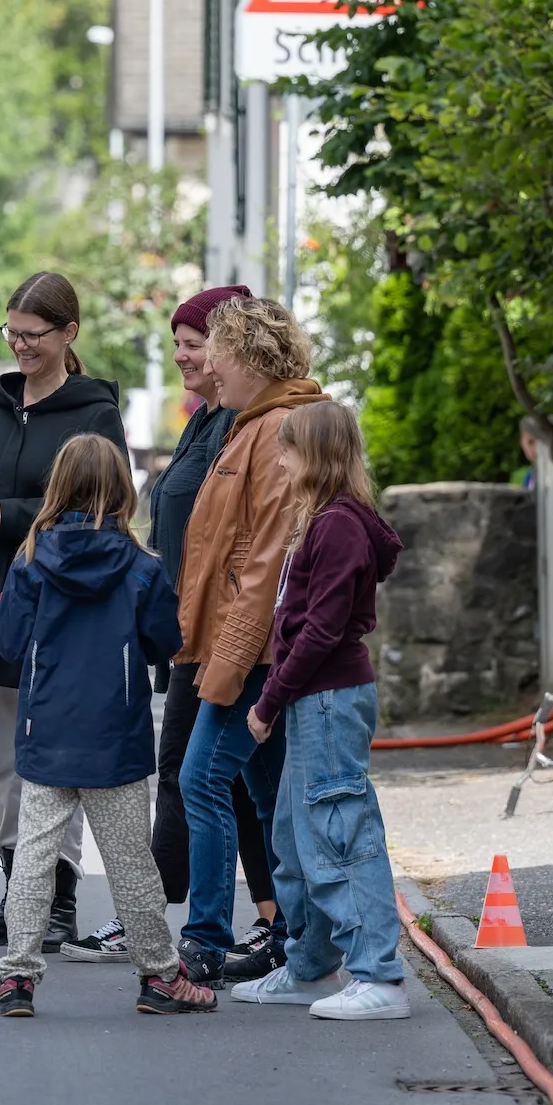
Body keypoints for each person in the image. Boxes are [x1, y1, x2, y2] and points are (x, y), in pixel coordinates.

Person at [63, 285, 285, 974]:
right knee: (226, 778)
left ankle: (177, 922)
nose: (185, 355)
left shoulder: (246, 425)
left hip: (227, 630)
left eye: (195, 343)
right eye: (180, 344)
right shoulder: (206, 420)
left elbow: (253, 541)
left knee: (202, 775)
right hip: (194, 626)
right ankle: (263, 925)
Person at [0, 435, 217, 1018]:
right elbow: (168, 641)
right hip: (118, 734)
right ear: (122, 490)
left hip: (46, 733)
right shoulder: (140, 566)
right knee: (132, 862)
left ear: (56, 487)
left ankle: (16, 979)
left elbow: (8, 641)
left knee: (35, 859)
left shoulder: (31, 559)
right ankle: (160, 976)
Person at [0, 272, 129, 952]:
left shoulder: (93, 411)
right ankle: (20, 889)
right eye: (11, 333)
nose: (19, 346)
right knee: (3, 758)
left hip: (62, 604)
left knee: (53, 759)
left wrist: (13, 514)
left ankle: (54, 902)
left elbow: (107, 503)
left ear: (69, 333)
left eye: (33, 335)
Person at [236, 402, 411, 1019]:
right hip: (317, 700)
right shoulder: (325, 520)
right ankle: (310, 966)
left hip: (328, 699)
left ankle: (379, 977)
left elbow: (321, 629)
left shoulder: (336, 524)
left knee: (340, 834)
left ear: (315, 454)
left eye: (288, 449)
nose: (280, 459)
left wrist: (269, 700)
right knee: (295, 836)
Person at [174, 297, 330, 988]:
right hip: (244, 648)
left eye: (218, 351)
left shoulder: (273, 433)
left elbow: (265, 563)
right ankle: (299, 944)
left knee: (200, 778)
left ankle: (204, 941)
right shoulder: (250, 426)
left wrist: (227, 666)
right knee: (266, 798)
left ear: (250, 359)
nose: (208, 363)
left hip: (254, 653)